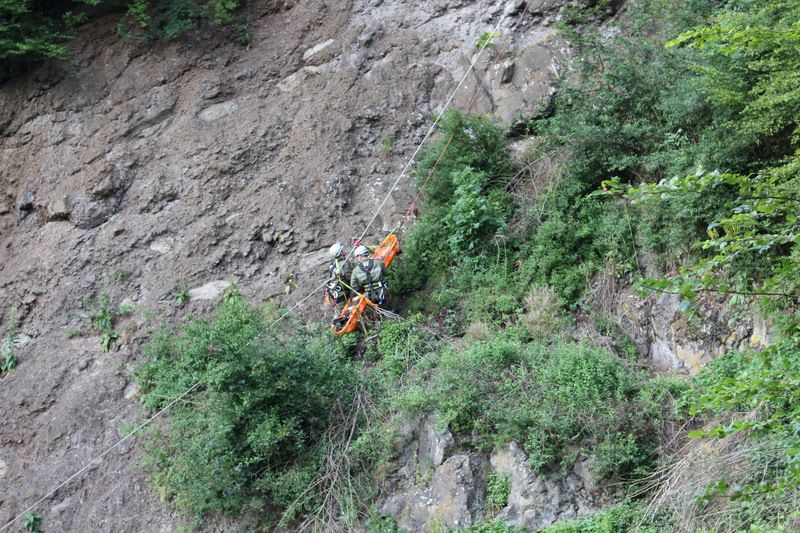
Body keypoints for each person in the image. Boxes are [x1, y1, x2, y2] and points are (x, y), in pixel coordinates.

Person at [326, 242, 354, 315]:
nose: (344, 249)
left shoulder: (334, 263)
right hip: (341, 294)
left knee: (339, 313)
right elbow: (352, 277)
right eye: (342, 249)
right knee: (343, 315)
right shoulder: (343, 264)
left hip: (335, 292)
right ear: (340, 253)